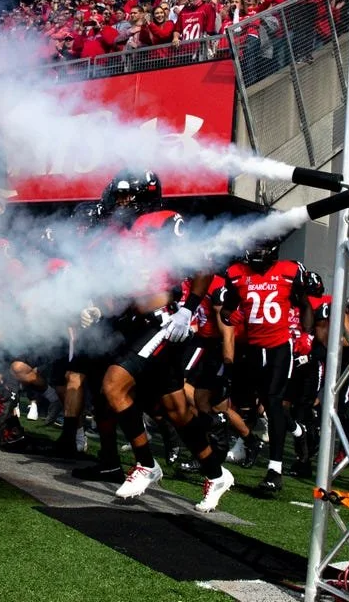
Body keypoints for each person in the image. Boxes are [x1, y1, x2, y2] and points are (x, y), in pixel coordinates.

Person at [90, 170, 234, 513]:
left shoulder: (164, 220)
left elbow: (201, 265)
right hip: (135, 323)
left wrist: (188, 310)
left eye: (126, 196)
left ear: (144, 195)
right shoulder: (118, 233)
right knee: (176, 410)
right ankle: (216, 475)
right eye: (119, 196)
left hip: (164, 321)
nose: (120, 202)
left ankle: (145, 464)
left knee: (114, 386)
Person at [222, 239, 312, 496]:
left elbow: (304, 304)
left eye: (262, 248)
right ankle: (297, 430)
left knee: (273, 402)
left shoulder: (289, 270)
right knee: (263, 404)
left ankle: (275, 471)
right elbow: (226, 311)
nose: (257, 253)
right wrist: (232, 316)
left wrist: (307, 336)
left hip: (279, 347)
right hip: (252, 349)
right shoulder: (237, 274)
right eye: (255, 247)